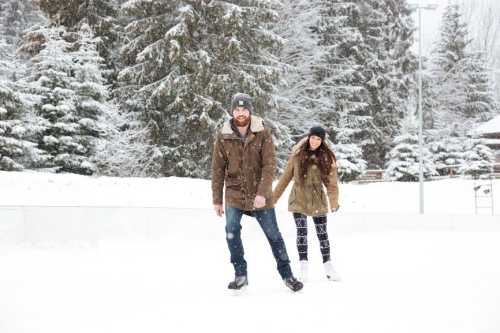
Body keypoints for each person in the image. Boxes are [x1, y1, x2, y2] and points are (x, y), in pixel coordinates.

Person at [211, 92, 303, 292]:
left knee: (274, 235)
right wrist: (217, 199)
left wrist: (262, 193)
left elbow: (269, 166)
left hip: (259, 194)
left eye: (244, 109)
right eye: (237, 109)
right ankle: (240, 274)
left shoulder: (263, 133)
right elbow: (217, 169)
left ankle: (288, 276)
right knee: (231, 230)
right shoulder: (223, 136)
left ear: (250, 111)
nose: (240, 113)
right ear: (232, 111)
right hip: (234, 194)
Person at [273, 126, 341, 282]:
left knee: (322, 234)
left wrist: (334, 201)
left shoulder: (326, 157)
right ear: (308, 137)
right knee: (302, 233)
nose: (315, 141)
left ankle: (328, 266)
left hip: (318, 199)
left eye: (319, 139)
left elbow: (331, 183)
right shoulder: (297, 155)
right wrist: (273, 198)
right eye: (313, 137)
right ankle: (304, 267)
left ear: (322, 141)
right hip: (299, 198)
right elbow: (285, 178)